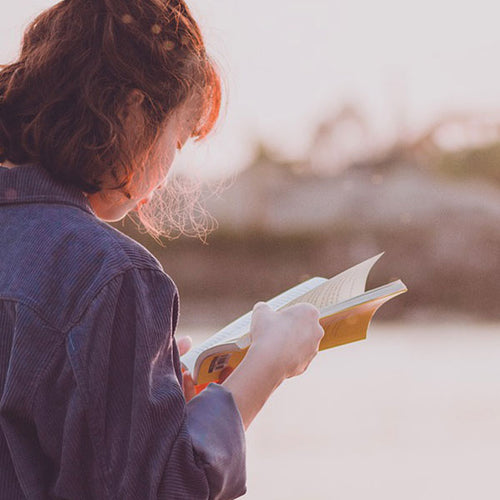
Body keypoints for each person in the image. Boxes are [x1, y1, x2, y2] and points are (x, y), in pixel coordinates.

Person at [0, 1, 324, 499]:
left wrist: (147, 396)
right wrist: (267, 365)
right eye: (178, 139)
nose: (172, 167)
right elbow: (158, 490)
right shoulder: (109, 274)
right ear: (131, 111)